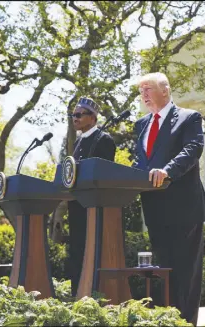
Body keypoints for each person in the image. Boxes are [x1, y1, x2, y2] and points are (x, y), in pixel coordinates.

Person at [133, 72, 205, 326]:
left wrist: (168, 171)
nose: (143, 94)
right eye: (140, 90)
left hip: (183, 208)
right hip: (154, 209)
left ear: (165, 90)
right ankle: (166, 321)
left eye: (148, 88)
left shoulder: (189, 118)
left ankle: (186, 323)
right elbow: (139, 162)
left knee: (184, 273)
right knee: (163, 271)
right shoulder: (141, 124)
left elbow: (193, 149)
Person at [67, 96, 116, 297]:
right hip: (77, 206)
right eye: (73, 115)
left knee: (92, 253)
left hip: (94, 208)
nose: (75, 118)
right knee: (77, 253)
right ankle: (76, 295)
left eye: (79, 115)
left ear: (93, 118)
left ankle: (93, 296)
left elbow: (104, 176)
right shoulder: (79, 141)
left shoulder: (103, 140)